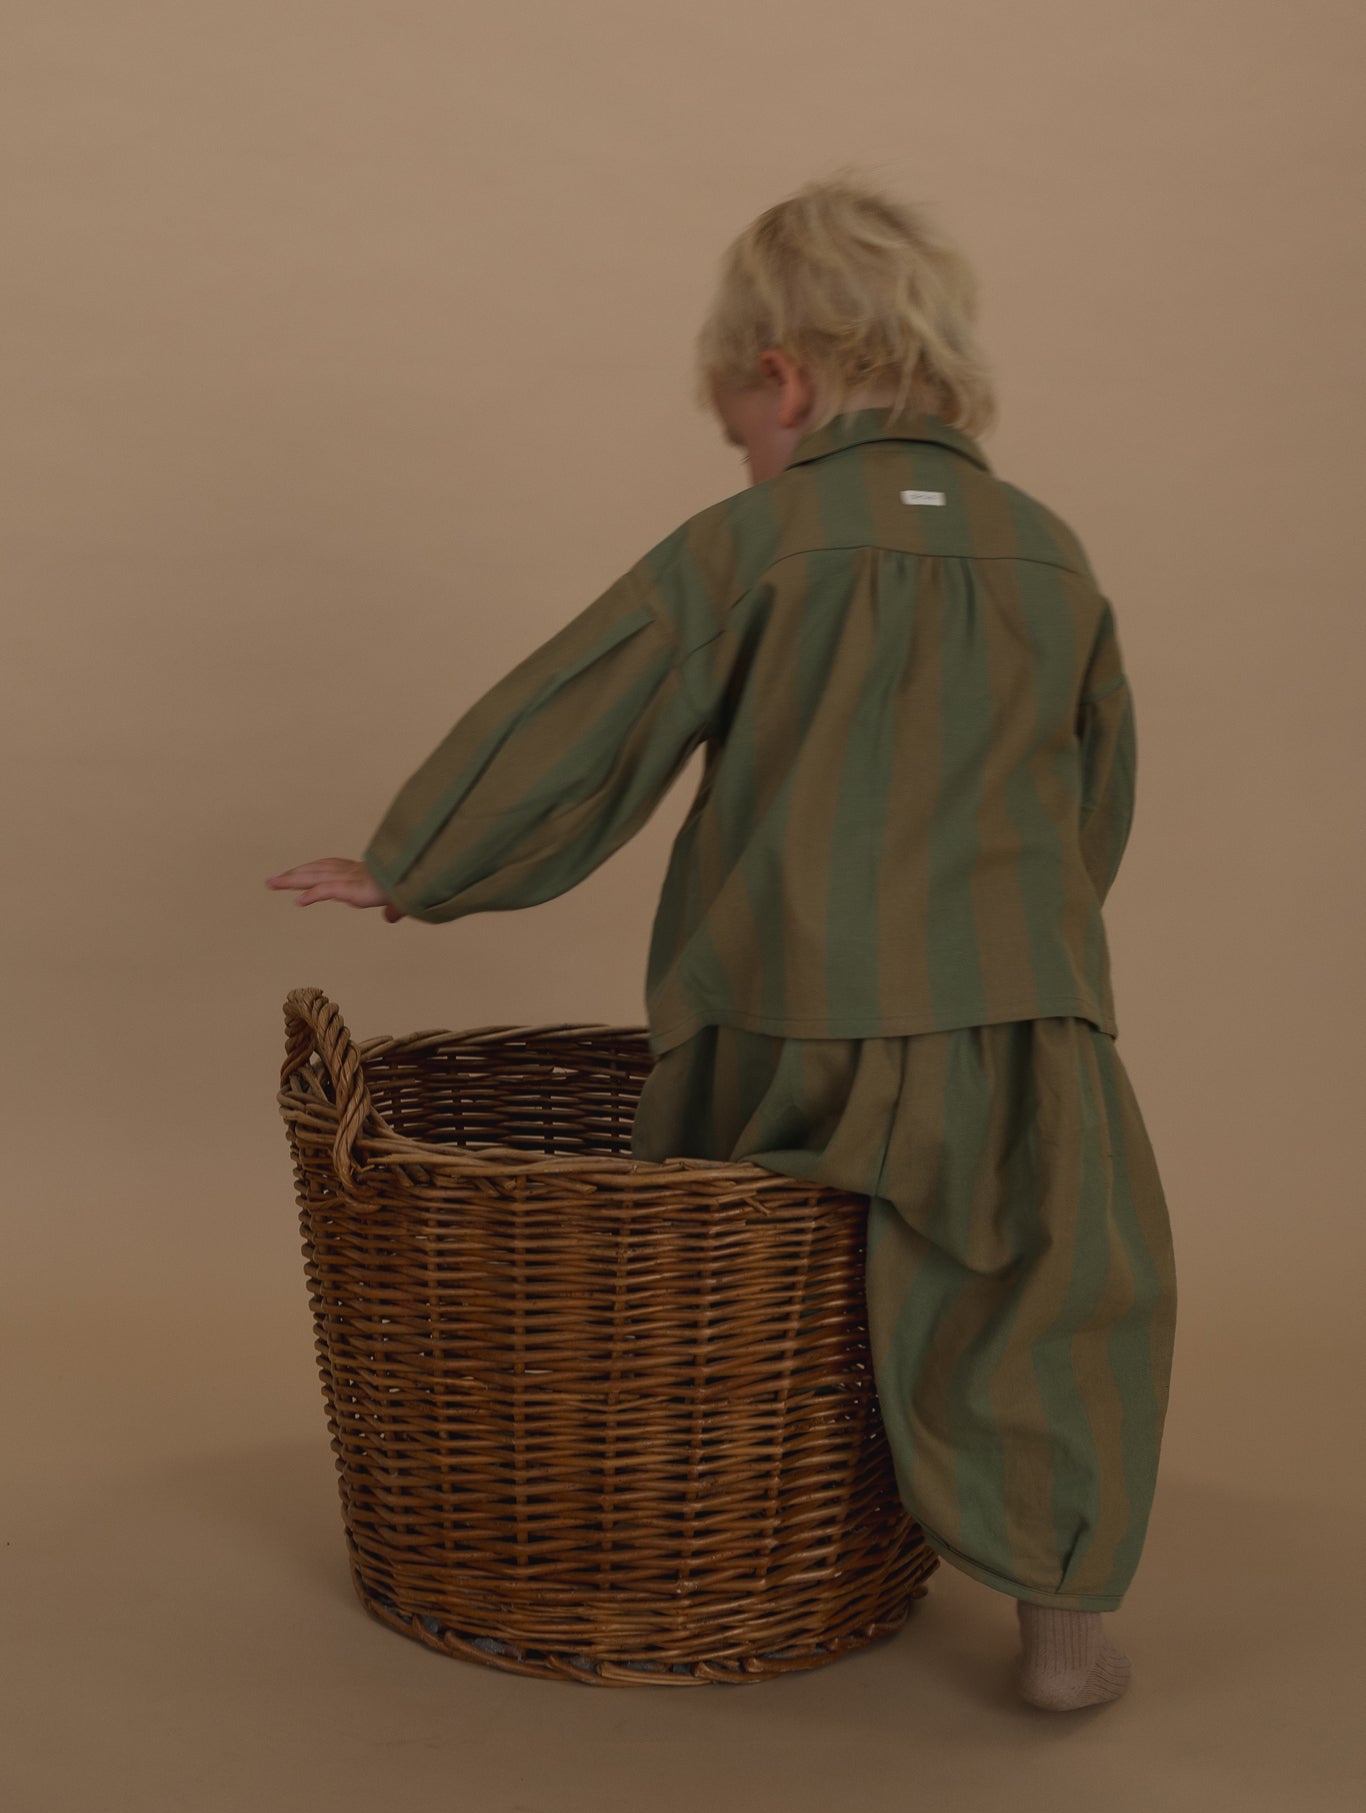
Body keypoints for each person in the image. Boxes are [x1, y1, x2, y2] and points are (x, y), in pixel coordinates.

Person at [266, 170, 1177, 1712]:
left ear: (786, 377)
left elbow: (593, 706)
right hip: (1021, 1013)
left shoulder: (756, 546)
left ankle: (737, 1551)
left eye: (742, 431)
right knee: (1047, 1298)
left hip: (787, 1004)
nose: (748, 457)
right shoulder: (1048, 552)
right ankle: (1061, 1628)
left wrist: (421, 860)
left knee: (741, 1293)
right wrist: (1034, 953)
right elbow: (1094, 789)